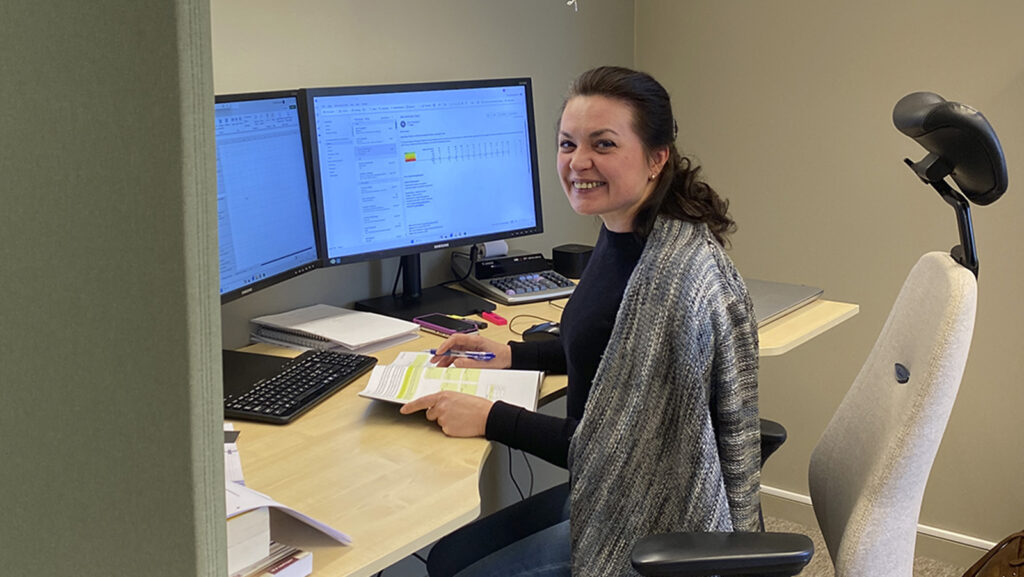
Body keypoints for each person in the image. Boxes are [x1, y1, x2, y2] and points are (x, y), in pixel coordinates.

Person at [400, 66, 761, 577]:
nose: (578, 162)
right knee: (447, 558)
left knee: (457, 572)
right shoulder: (628, 233)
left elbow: (619, 453)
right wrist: (512, 354)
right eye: (568, 144)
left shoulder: (669, 281)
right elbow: (607, 346)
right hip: (610, 492)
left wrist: (490, 417)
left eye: (604, 144)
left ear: (657, 158)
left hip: (645, 522)